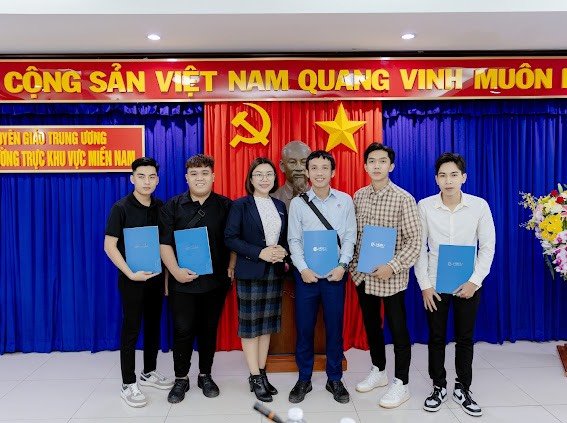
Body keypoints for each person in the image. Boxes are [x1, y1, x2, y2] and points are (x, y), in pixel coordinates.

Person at [415, 153, 495, 417]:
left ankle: (463, 388)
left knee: (465, 338)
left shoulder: (479, 206)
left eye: (453, 175)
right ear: (436, 179)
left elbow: (488, 247)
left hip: (467, 284)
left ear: (464, 177)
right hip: (435, 284)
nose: (448, 181)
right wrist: (425, 285)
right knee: (436, 337)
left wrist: (474, 281)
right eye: (442, 175)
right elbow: (419, 248)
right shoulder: (425, 206)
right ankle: (438, 386)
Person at [349, 143, 422, 408]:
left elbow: (415, 241)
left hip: (392, 277)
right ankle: (379, 370)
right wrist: (353, 267)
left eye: (382, 161)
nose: (377, 165)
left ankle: (401, 383)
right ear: (365, 166)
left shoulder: (404, 199)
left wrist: (392, 266)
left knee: (398, 329)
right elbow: (354, 236)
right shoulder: (358, 196)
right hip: (363, 276)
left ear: (391, 166)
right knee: (371, 326)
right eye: (372, 161)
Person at [159, 154, 233, 403]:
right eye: (194, 174)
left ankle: (205, 375)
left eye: (204, 173)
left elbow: (233, 241)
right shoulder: (172, 206)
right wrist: (175, 271)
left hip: (215, 282)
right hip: (181, 281)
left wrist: (231, 266)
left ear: (213, 176)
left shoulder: (225, 206)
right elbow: (164, 244)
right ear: (186, 178)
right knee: (182, 330)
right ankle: (181, 378)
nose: (199, 178)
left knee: (208, 330)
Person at [287, 150, 357, 404]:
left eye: (324, 168)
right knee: (304, 329)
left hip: (335, 276)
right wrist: (303, 268)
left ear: (333, 172)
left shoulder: (345, 201)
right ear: (307, 172)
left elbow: (349, 236)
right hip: (306, 277)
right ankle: (304, 378)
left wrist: (343, 265)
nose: (319, 173)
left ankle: (334, 378)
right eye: (314, 168)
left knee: (334, 329)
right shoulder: (298, 203)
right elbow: (294, 239)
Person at [104, 157, 173, 408]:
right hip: (131, 280)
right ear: (132, 179)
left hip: (156, 278)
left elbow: (165, 246)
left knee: (154, 326)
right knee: (131, 329)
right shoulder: (121, 208)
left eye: (151, 177)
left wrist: (166, 280)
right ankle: (128, 383)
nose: (147, 182)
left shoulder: (161, 207)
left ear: (157, 180)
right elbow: (109, 246)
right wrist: (130, 273)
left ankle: (148, 372)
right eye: (141, 176)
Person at [224, 157, 288, 403]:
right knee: (251, 328)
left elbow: (283, 238)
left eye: (269, 174)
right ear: (250, 179)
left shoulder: (279, 205)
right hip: (250, 271)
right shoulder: (240, 205)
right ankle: (254, 377)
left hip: (274, 272)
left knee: (266, 326)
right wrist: (259, 253)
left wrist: (282, 251)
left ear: (275, 178)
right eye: (259, 174)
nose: (264, 179)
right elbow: (230, 238)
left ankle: (262, 373)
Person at [272, 140, 312, 209]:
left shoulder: (321, 198)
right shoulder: (272, 199)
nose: (299, 168)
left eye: (304, 162)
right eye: (292, 162)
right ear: (282, 166)